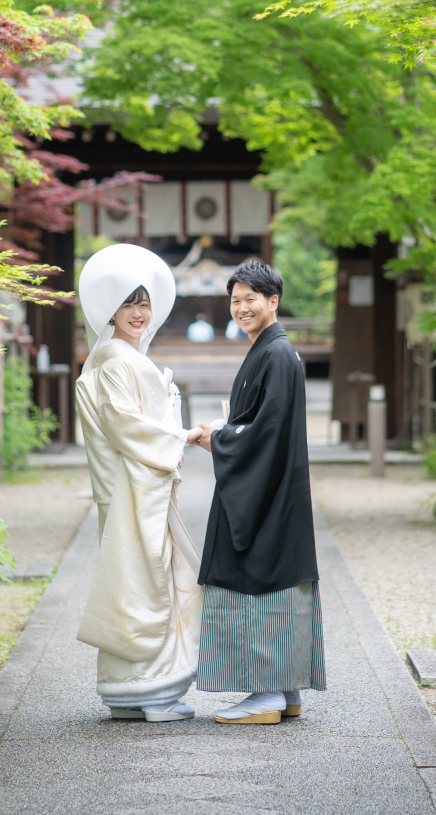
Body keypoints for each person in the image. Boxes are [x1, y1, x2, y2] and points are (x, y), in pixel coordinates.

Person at [192, 260, 326, 724]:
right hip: (274, 488)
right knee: (277, 581)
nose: (242, 307)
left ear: (274, 301)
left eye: (252, 298)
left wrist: (220, 440)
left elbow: (266, 429)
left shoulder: (275, 354)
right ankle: (285, 690)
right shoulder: (272, 351)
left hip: (267, 491)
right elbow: (260, 422)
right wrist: (228, 431)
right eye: (235, 299)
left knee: (260, 579)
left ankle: (266, 694)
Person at [75, 243, 203, 722]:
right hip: (135, 483)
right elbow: (127, 423)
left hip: (130, 483)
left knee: (132, 577)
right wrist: (182, 435)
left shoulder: (111, 355)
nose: (138, 312)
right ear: (111, 307)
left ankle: (129, 692)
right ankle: (152, 692)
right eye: (128, 303)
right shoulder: (116, 357)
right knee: (149, 577)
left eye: (144, 303)